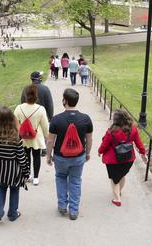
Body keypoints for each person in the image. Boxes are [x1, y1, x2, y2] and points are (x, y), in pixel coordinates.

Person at [46, 88, 93, 220]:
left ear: (65, 101)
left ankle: (62, 205)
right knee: (75, 181)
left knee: (60, 177)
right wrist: (87, 153)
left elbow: (50, 140)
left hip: (60, 157)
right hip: (78, 156)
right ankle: (73, 210)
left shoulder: (56, 119)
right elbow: (89, 139)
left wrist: (48, 156)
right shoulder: (85, 119)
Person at [0, 106, 30, 221]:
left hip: (0, 170)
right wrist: (26, 171)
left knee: (1, 188)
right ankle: (13, 214)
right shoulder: (16, 136)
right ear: (11, 119)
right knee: (14, 189)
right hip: (13, 171)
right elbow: (21, 156)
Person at [97, 109, 147, 207]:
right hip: (128, 159)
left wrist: (99, 151)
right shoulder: (133, 129)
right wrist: (143, 153)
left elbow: (105, 145)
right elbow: (139, 143)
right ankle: (119, 192)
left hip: (113, 160)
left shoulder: (111, 132)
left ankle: (117, 199)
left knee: (114, 179)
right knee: (122, 175)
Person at [14, 85, 49, 186]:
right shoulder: (41, 109)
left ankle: (27, 175)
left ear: (26, 95)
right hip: (36, 137)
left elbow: (15, 123)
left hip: (24, 136)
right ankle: (36, 177)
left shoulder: (19, 108)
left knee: (26, 156)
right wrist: (47, 137)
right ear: (36, 96)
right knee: (36, 156)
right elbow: (45, 126)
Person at [21, 71, 54, 157]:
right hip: (42, 114)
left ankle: (30, 146)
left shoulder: (26, 89)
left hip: (29, 114)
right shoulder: (45, 89)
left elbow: (22, 102)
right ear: (40, 78)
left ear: (31, 79)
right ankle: (43, 148)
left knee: (31, 129)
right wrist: (50, 116)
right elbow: (49, 104)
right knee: (43, 131)